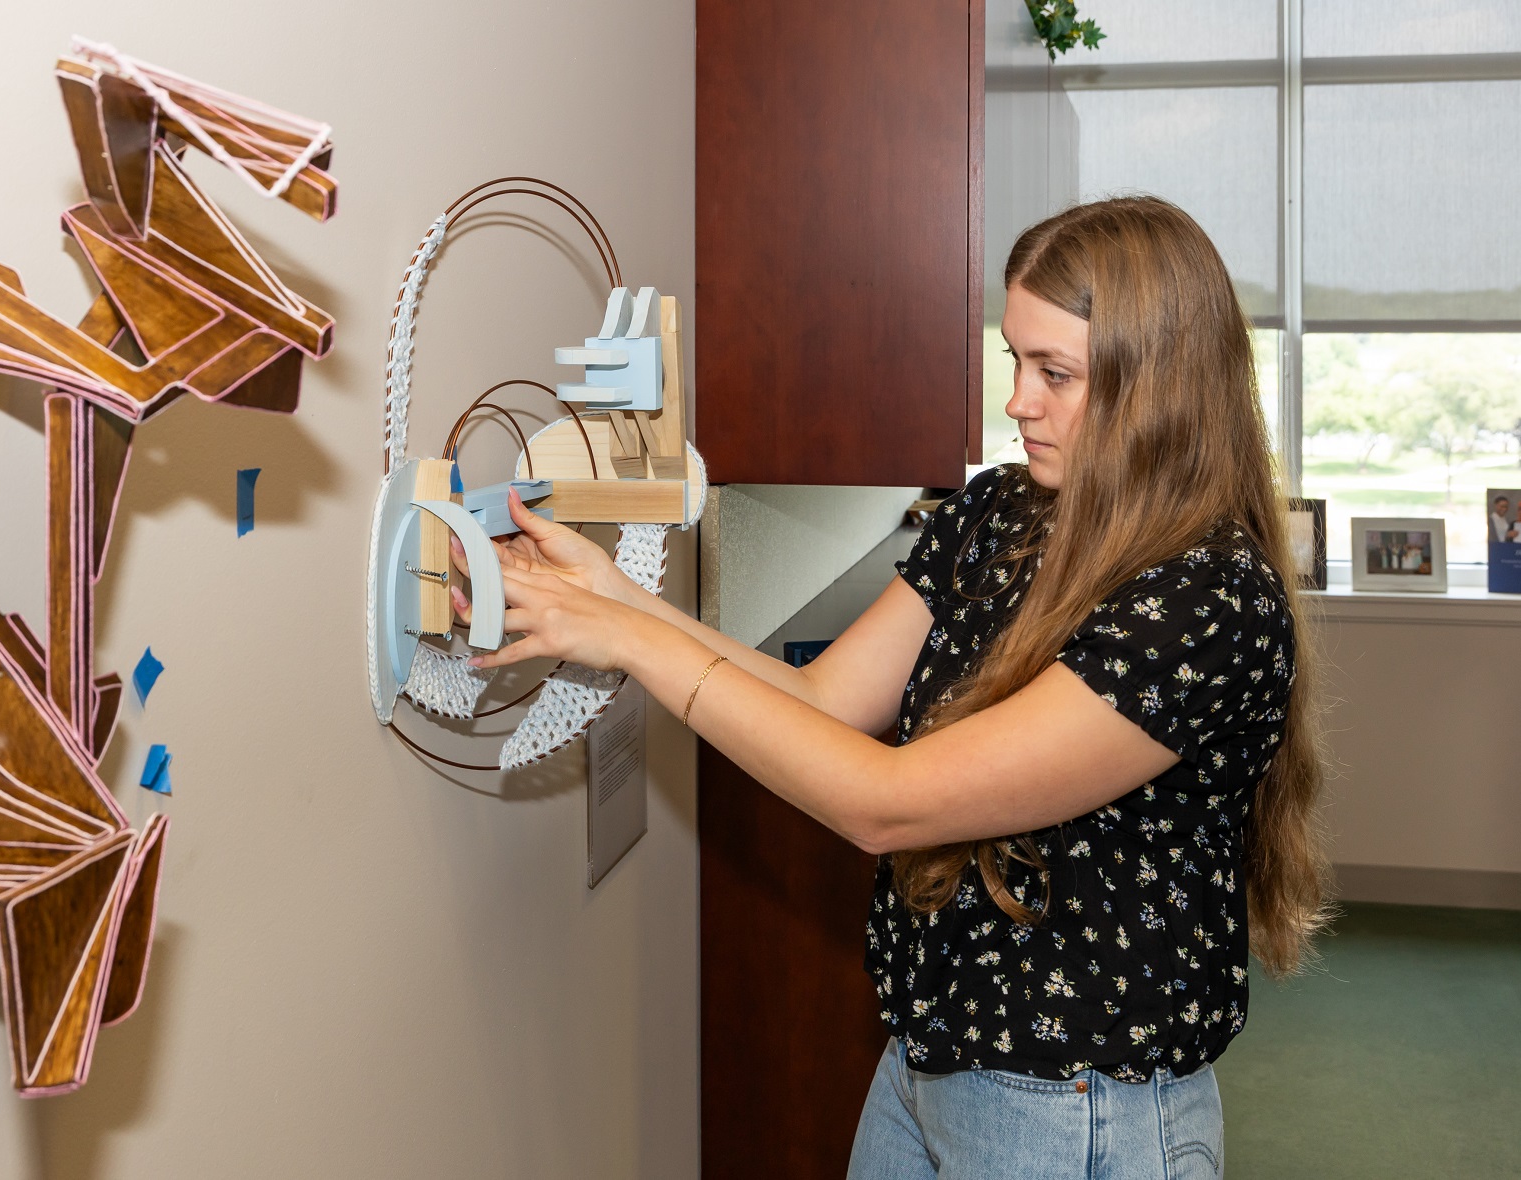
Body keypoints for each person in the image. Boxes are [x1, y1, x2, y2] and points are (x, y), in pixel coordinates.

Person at [450, 197, 1329, 1177]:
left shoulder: (1203, 601)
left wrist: (631, 640)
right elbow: (823, 701)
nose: (1017, 402)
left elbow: (887, 801)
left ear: (1157, 389)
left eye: (1056, 373)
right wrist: (618, 602)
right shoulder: (999, 509)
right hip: (932, 1054)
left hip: (1078, 1105)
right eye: (1015, 360)